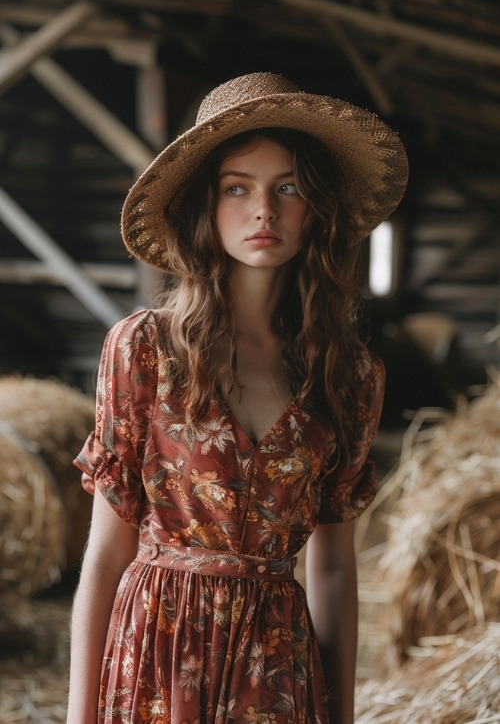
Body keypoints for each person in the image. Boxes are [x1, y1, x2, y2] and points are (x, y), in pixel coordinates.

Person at [67, 72, 408, 724]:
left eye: (288, 189)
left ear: (317, 210)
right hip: (156, 659)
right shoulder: (145, 350)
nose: (264, 211)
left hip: (276, 668)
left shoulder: (350, 374)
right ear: (205, 206)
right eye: (237, 188)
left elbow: (332, 570)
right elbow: (106, 556)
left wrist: (340, 716)